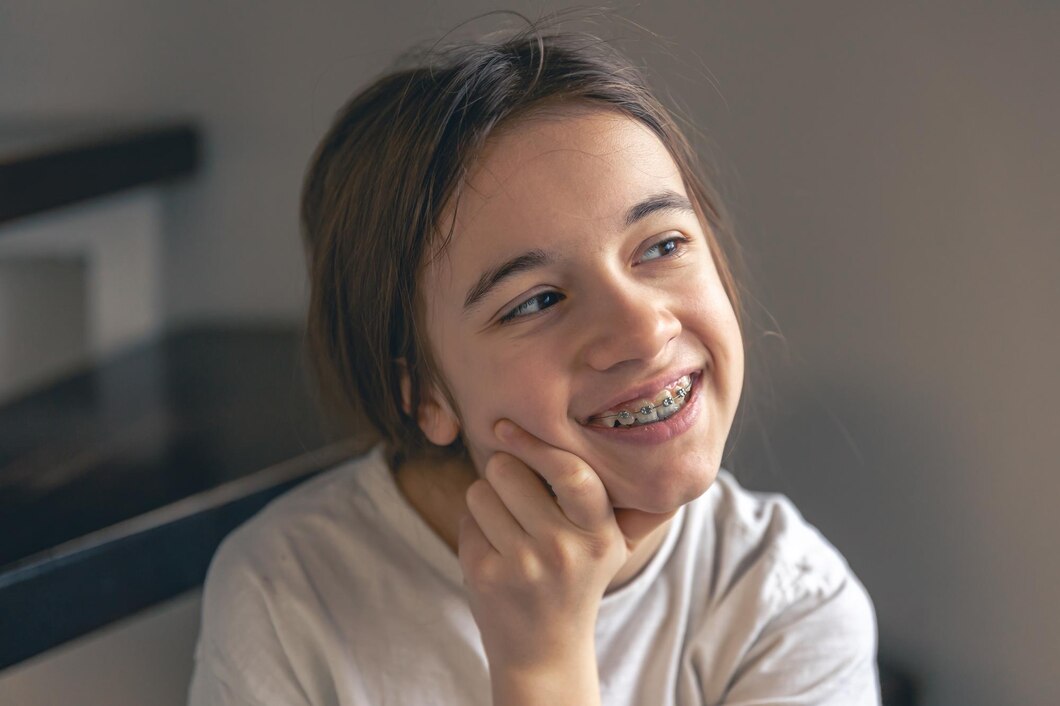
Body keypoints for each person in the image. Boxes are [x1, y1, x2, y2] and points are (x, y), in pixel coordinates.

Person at [188, 18, 880, 706]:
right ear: (422, 391)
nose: (642, 329)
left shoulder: (791, 606)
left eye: (663, 246)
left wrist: (548, 669)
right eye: (536, 301)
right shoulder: (286, 592)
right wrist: (539, 660)